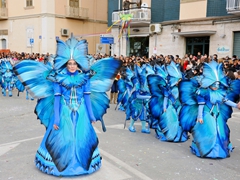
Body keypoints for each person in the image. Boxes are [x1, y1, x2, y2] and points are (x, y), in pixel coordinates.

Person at [14, 35, 122, 176]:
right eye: (69, 63)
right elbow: (57, 100)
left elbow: (87, 98)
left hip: (81, 110)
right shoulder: (58, 79)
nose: (72, 66)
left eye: (74, 63)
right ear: (66, 64)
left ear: (78, 65)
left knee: (82, 136)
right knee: (65, 138)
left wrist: (91, 115)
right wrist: (57, 119)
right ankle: (59, 164)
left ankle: (84, 164)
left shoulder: (85, 78)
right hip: (63, 110)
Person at [179, 60, 240, 158]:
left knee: (221, 132)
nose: (216, 87)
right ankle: (203, 149)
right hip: (206, 114)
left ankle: (218, 151)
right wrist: (199, 116)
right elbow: (201, 106)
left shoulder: (220, 91)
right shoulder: (203, 92)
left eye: (217, 84)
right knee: (210, 132)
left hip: (217, 115)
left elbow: (225, 100)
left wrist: (236, 105)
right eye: (214, 85)